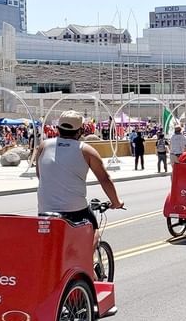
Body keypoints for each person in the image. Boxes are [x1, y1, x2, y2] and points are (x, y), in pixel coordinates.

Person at [34, 111, 124, 275]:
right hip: (75, 211)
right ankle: (85, 267)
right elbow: (105, 179)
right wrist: (116, 202)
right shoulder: (86, 150)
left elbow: (39, 174)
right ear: (81, 131)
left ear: (57, 129)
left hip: (45, 210)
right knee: (94, 230)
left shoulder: (44, 146)